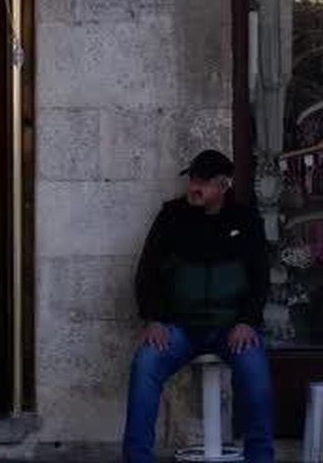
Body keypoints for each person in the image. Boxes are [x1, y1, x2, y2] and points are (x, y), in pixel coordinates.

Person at [123, 150, 273, 463]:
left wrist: (247, 321)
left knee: (256, 371)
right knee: (145, 364)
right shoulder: (171, 216)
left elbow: (260, 279)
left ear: (223, 185)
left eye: (203, 182)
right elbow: (146, 273)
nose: (194, 187)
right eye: (192, 179)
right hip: (180, 328)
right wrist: (154, 318)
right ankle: (137, 457)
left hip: (233, 328)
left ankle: (260, 458)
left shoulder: (245, 220)